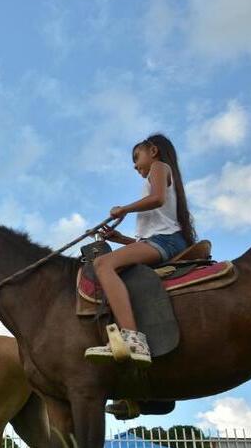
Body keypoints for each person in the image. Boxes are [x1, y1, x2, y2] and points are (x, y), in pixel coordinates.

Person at [84, 134, 196, 365]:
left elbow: (157, 198)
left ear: (153, 151)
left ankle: (132, 338)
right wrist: (119, 238)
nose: (135, 165)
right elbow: (147, 243)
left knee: (102, 264)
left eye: (136, 157)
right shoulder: (160, 172)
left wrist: (123, 209)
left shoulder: (159, 166)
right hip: (163, 242)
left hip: (165, 241)